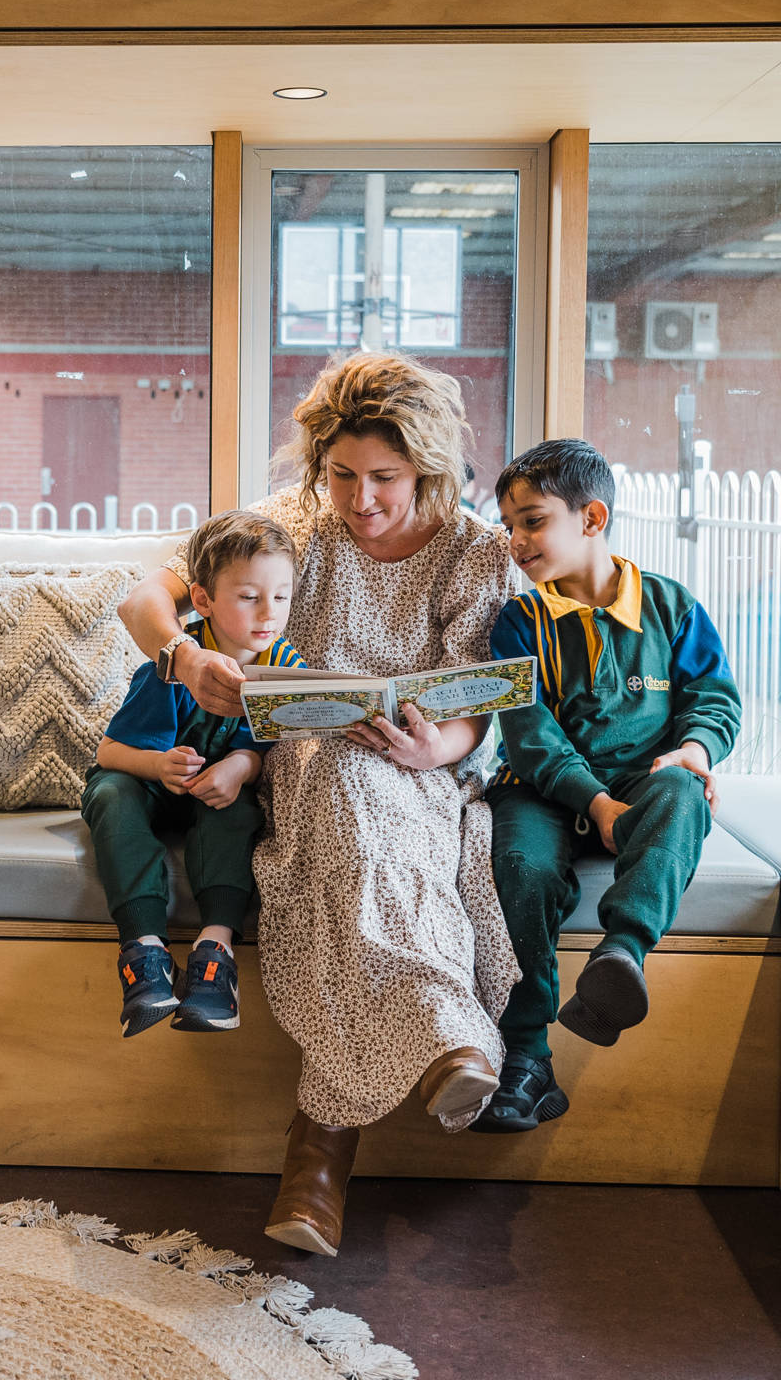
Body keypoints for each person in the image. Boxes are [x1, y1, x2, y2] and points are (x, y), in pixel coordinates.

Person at [117, 351, 520, 1257]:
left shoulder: (475, 551)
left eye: (384, 478)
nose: (360, 498)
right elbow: (147, 596)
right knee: (341, 804)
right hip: (301, 759)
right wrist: (187, 658)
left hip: (419, 768)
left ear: (427, 468)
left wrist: (433, 746)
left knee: (381, 828)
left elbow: (475, 703)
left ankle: (320, 1159)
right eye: (341, 474)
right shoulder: (292, 522)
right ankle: (449, 1040)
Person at [474, 438, 742, 1133]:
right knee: (522, 869)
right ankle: (526, 1058)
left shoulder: (671, 606)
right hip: (541, 789)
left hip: (643, 777)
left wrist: (693, 750)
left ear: (591, 518)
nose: (516, 540)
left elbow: (714, 699)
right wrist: (599, 808)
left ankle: (622, 953)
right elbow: (528, 734)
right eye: (508, 525)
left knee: (683, 793)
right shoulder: (518, 621)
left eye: (532, 520)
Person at [84, 510, 303, 1037]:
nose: (267, 613)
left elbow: (263, 748)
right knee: (112, 796)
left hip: (214, 794)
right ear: (202, 600)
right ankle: (145, 952)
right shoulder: (174, 664)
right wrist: (158, 765)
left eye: (281, 596)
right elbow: (110, 752)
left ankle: (215, 954)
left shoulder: (285, 668)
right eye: (249, 596)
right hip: (147, 783)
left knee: (242, 808)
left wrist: (240, 766)